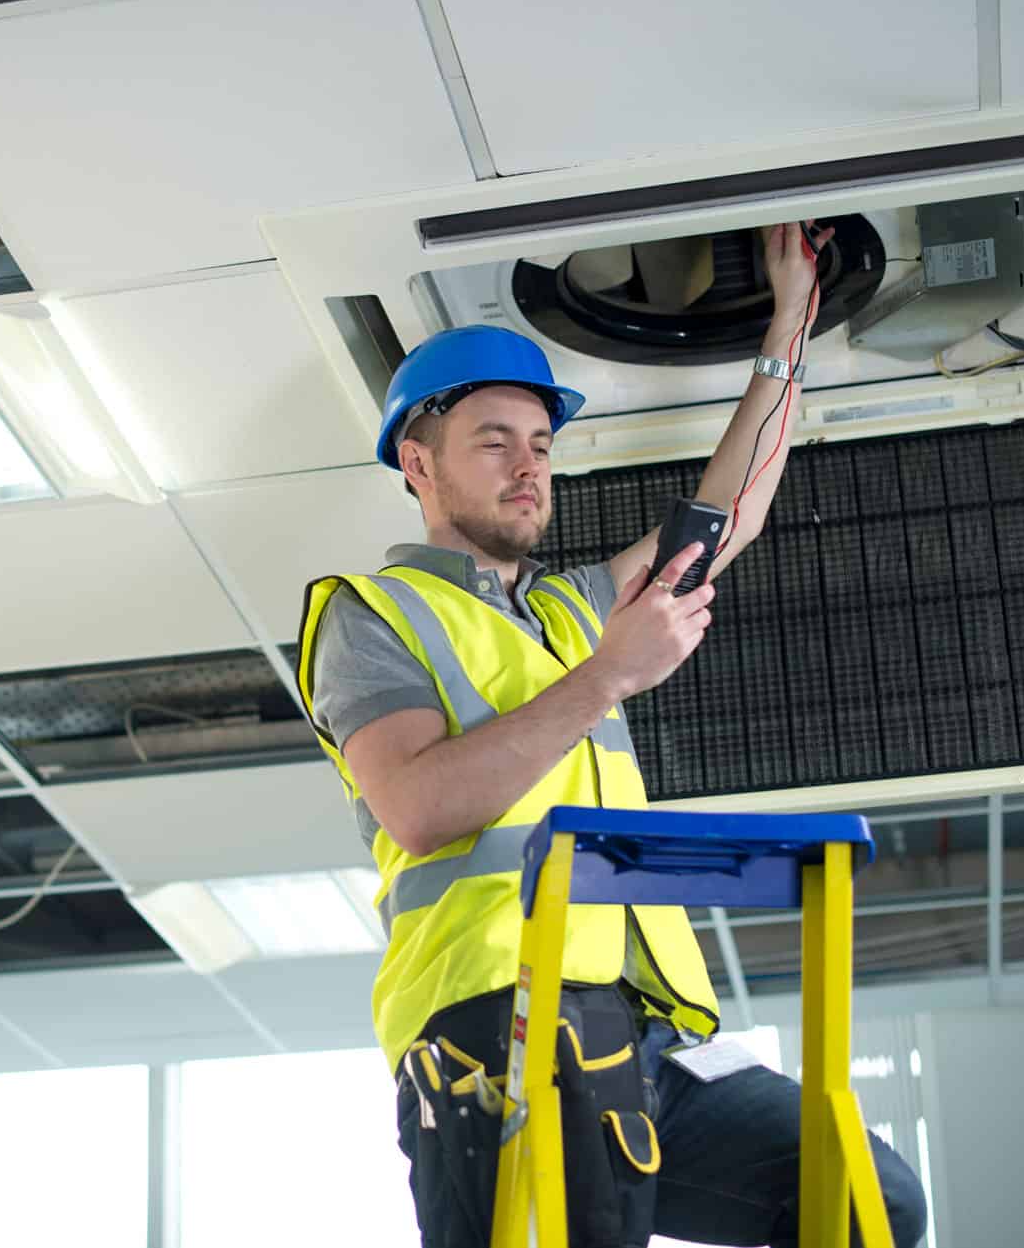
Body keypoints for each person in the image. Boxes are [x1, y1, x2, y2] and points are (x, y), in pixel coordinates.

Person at [295, 224, 928, 1248]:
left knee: (864, 1197)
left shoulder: (572, 610)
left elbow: (733, 512)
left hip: (636, 1026)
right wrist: (610, 676)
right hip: (490, 1020)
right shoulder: (374, 615)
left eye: (540, 446)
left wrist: (788, 321)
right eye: (493, 442)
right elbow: (415, 809)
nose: (528, 468)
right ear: (418, 462)